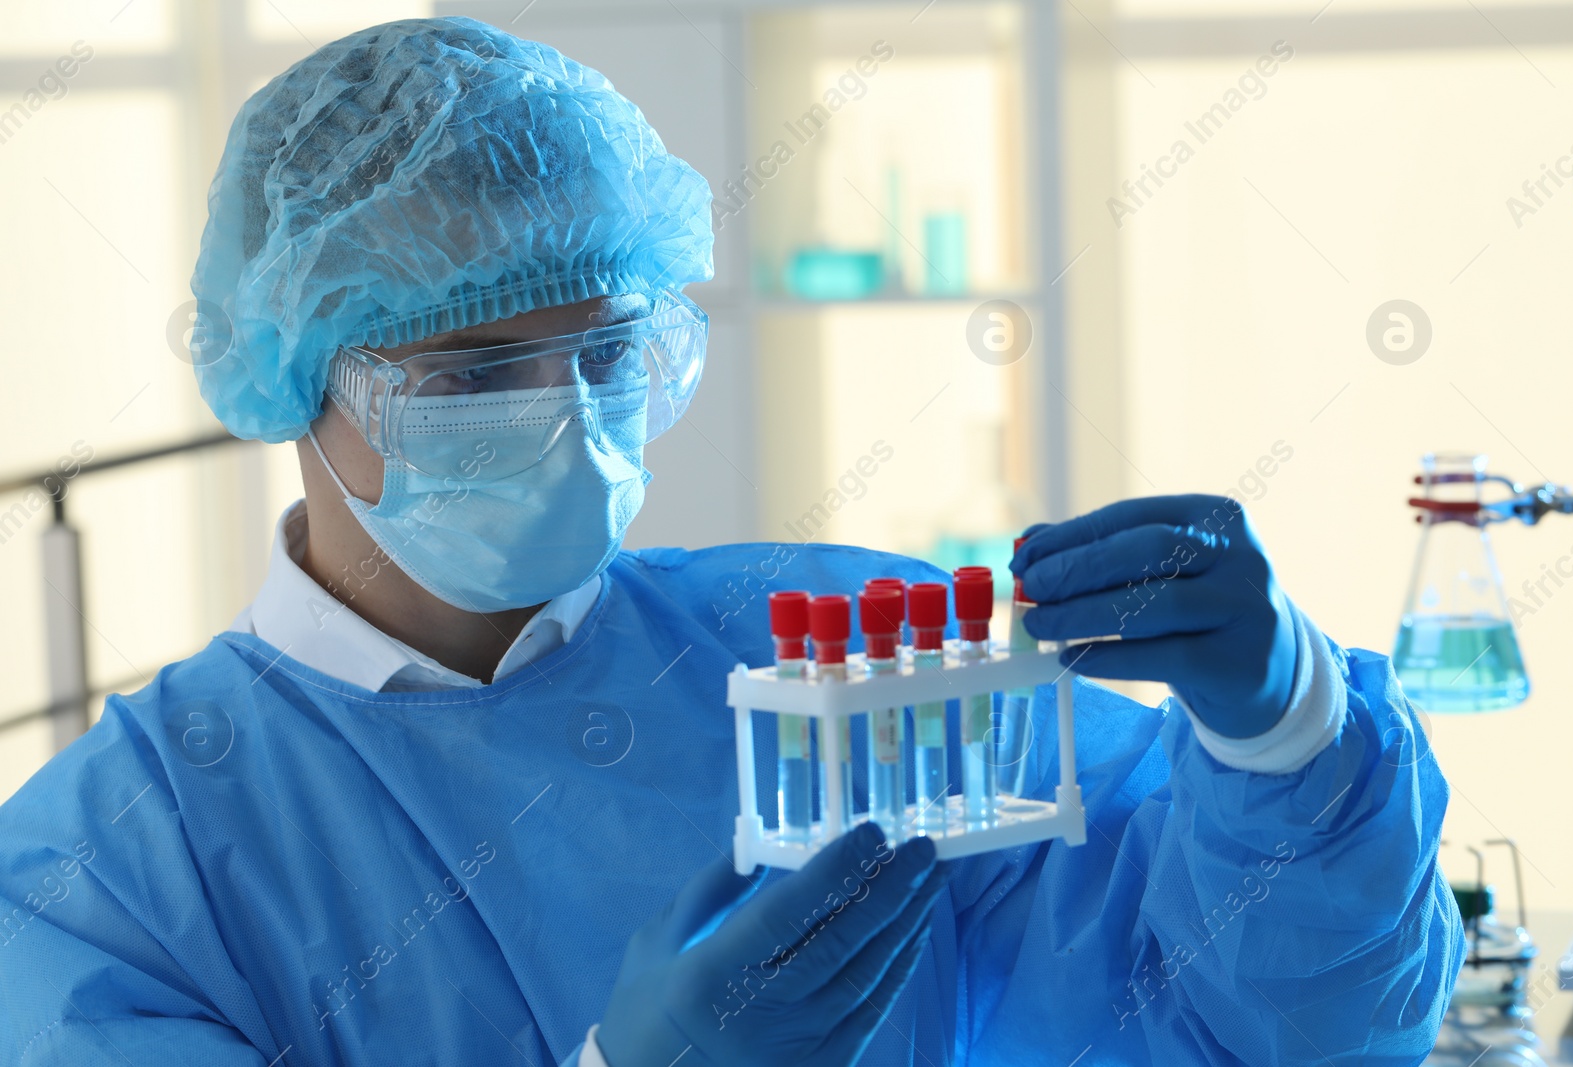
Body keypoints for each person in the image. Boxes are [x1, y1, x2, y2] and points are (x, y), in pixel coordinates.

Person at [0, 17, 1461, 1067]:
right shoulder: (110, 877)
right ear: (290, 376)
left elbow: (1257, 1029)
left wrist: (1284, 728)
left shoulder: (842, 656)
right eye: (479, 373)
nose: (568, 419)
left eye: (608, 350)